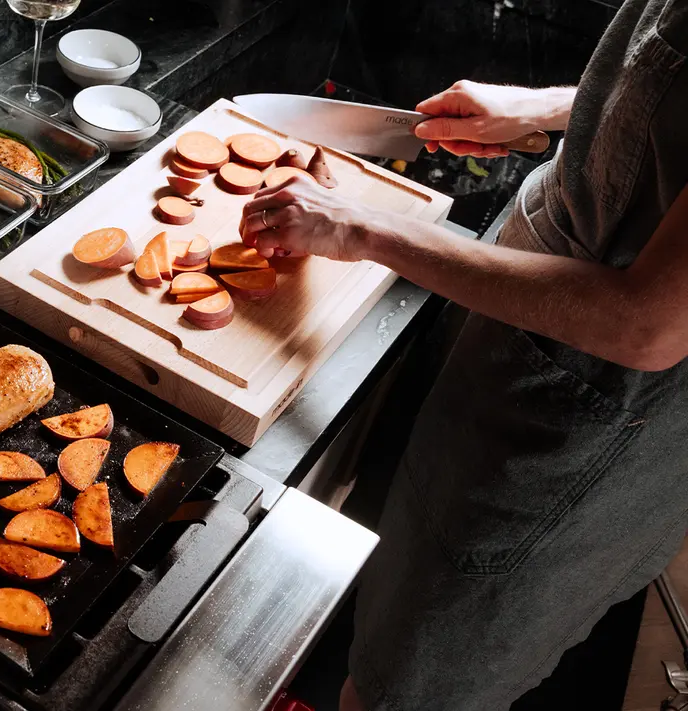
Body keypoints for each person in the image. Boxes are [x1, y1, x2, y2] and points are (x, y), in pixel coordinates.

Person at [239, 1, 688, 709]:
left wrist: (358, 226)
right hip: (520, 334)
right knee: (378, 586)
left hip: (583, 427)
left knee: (410, 682)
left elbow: (648, 324)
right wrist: (548, 109)